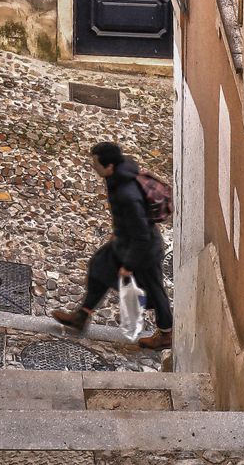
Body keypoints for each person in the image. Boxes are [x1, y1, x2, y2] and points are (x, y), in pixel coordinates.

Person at [53, 141, 173, 351]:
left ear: (109, 166)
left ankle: (165, 334)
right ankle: (82, 315)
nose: (93, 166)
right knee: (99, 268)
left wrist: (128, 264)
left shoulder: (128, 195)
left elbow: (142, 235)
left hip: (143, 251)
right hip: (124, 240)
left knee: (155, 292)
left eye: (96, 163)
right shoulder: (116, 176)